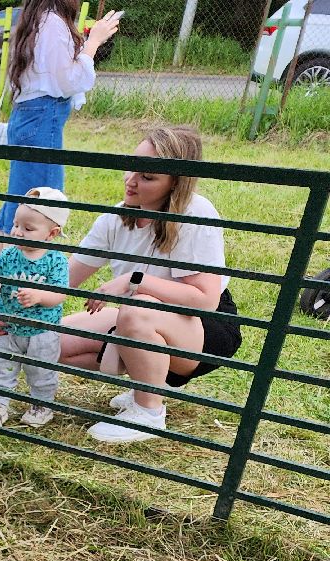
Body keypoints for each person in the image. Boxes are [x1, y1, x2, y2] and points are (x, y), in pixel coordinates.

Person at [27, 126, 240, 444]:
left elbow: (206, 300)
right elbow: (65, 280)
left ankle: (148, 413)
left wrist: (134, 281)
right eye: (132, 167)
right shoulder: (116, 218)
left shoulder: (196, 213)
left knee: (135, 308)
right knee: (45, 340)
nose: (131, 180)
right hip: (139, 318)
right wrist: (13, 305)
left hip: (203, 328)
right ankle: (147, 378)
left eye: (148, 176)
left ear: (175, 183)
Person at [0, 1, 120, 285]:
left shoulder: (37, 18)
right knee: (41, 207)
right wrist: (93, 43)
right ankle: (12, 284)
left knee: (20, 199)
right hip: (41, 119)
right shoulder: (52, 22)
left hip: (30, 117)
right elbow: (68, 80)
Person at [0, 188, 70, 428]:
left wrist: (39, 296)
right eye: (15, 224)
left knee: (41, 372)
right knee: (0, 368)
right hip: (7, 327)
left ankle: (41, 406)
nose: (17, 232)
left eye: (28, 228)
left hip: (42, 331)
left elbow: (60, 294)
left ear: (51, 233)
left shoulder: (55, 260)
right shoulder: (8, 255)